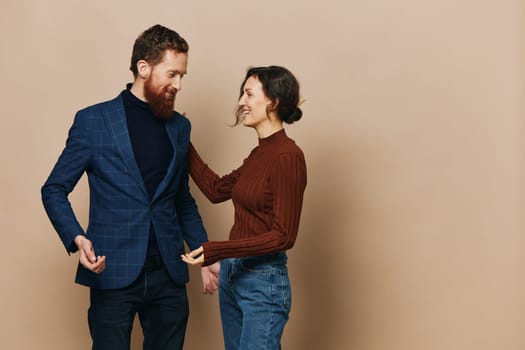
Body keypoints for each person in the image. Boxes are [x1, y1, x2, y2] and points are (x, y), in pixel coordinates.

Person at [41, 24, 219, 350]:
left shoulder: (180, 126)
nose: (178, 85)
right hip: (113, 271)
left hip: (169, 272)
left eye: (183, 76)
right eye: (172, 74)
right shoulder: (93, 121)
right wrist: (77, 238)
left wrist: (206, 253)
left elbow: (181, 198)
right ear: (143, 67)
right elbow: (53, 189)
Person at [182, 65, 307, 349]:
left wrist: (218, 250)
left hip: (264, 282)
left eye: (249, 94)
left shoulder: (288, 156)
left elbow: (283, 236)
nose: (241, 102)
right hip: (233, 275)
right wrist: (182, 143)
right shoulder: (259, 153)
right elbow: (215, 190)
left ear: (273, 102)